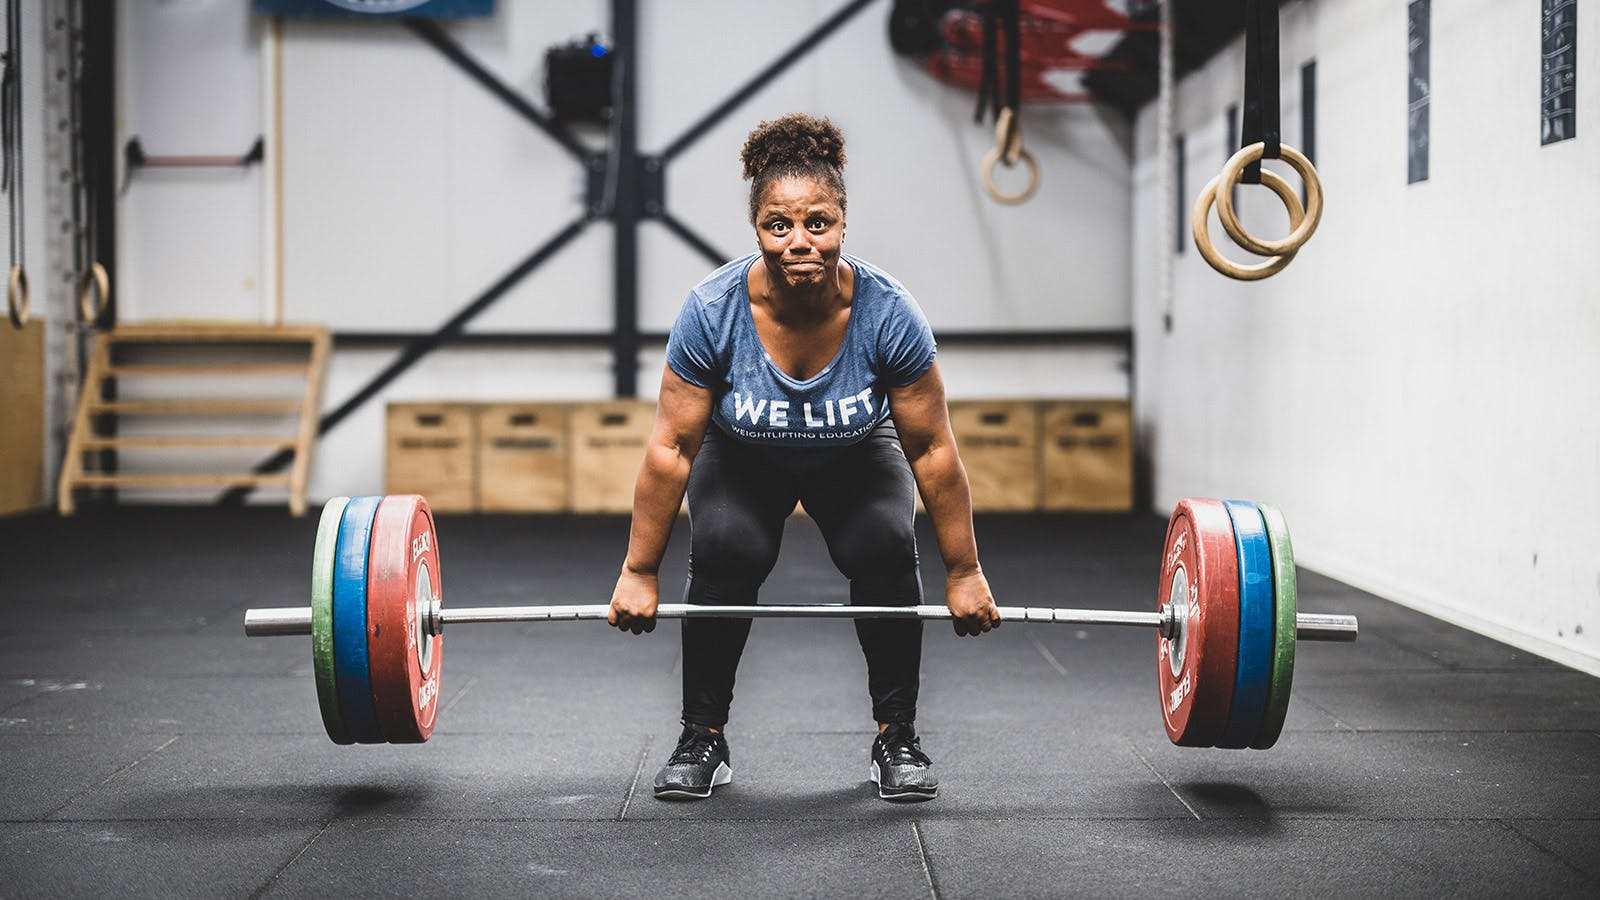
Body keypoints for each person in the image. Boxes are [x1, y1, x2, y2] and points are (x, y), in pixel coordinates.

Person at [608, 112, 1000, 803]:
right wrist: (638, 571)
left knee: (883, 544)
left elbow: (932, 448)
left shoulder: (888, 312)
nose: (799, 242)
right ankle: (702, 737)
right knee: (725, 548)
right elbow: (672, 448)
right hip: (743, 458)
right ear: (756, 228)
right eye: (778, 225)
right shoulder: (712, 310)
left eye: (818, 223)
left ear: (843, 222)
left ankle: (897, 737)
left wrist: (965, 571)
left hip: (855, 455)